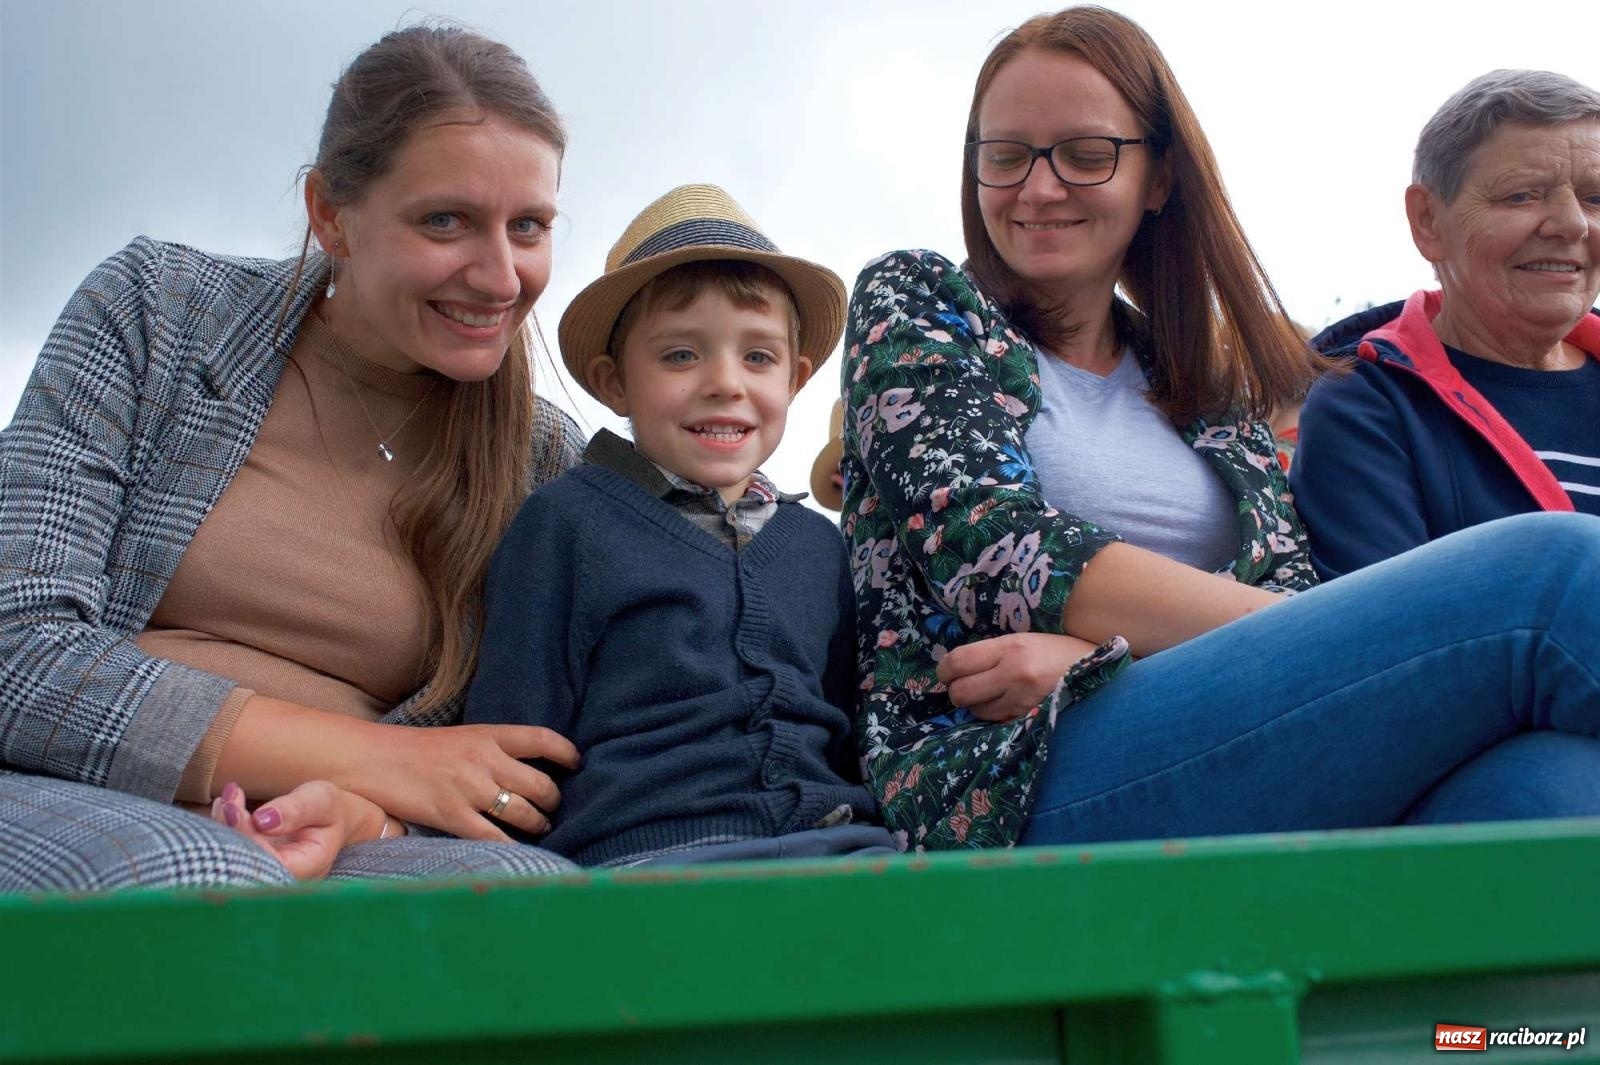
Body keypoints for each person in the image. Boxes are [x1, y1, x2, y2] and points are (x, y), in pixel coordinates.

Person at [840, 5, 1600, 852]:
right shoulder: (919, 302)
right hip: (1005, 772)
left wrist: (1109, 665)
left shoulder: (1203, 380)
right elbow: (998, 547)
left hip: (1225, 741)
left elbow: (1295, 591)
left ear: (1159, 178)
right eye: (1007, 156)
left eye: (1086, 156)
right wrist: (1272, 651)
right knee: (1556, 572)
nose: (1039, 187)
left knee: (1556, 783)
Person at [0, 25, 587, 890]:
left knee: (542, 906)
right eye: (446, 221)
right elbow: (18, 644)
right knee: (202, 876)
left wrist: (369, 806)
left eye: (528, 226)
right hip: (65, 784)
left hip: (361, 830)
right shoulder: (159, 314)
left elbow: (527, 758)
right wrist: (374, 758)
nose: (502, 278)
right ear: (330, 214)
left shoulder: (543, 462)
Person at [464, 184, 896, 865]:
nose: (725, 382)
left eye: (758, 357)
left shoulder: (819, 545)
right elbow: (510, 739)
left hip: (839, 848)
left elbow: (846, 729)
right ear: (614, 382)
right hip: (648, 856)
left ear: (796, 379)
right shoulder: (565, 523)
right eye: (680, 355)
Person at [1292, 70, 1600, 580]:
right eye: (1522, 195)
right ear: (1428, 222)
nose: (1571, 224)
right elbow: (1398, 641)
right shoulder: (1370, 408)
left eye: (1596, 199)